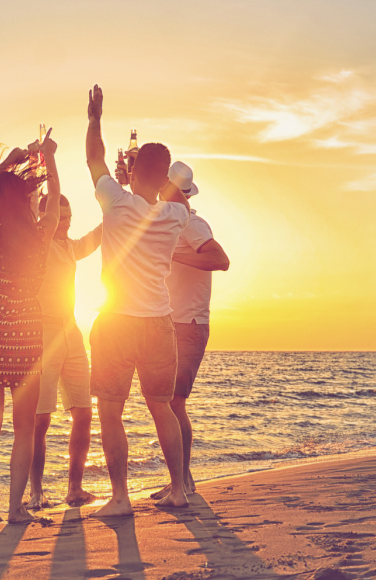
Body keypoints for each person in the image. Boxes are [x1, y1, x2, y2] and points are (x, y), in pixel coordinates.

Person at [83, 84, 191, 516]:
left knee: (111, 410)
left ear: (131, 168)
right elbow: (177, 196)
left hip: (117, 321)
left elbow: (93, 158)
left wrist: (95, 119)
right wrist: (158, 181)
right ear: (164, 178)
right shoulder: (175, 215)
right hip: (159, 322)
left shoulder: (115, 202)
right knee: (162, 408)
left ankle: (121, 498)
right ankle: (179, 490)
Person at [0, 124, 62, 525]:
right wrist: (50, 156)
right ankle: (14, 508)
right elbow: (54, 197)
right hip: (23, 328)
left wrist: (4, 162)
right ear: (25, 200)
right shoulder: (41, 234)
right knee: (23, 429)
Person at [150, 161, 230, 501]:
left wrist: (176, 260)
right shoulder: (171, 223)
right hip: (174, 322)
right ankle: (181, 480)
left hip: (189, 324)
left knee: (173, 403)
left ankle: (182, 483)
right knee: (169, 401)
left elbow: (221, 259)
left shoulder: (193, 224)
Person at [28, 194, 101, 509]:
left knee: (84, 412)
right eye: (62, 216)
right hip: (43, 334)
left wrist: (118, 204)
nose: (68, 222)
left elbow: (96, 237)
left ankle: (74, 489)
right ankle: (35, 492)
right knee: (39, 420)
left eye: (70, 216)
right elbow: (30, 216)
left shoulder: (71, 247)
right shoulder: (37, 245)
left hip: (71, 333)